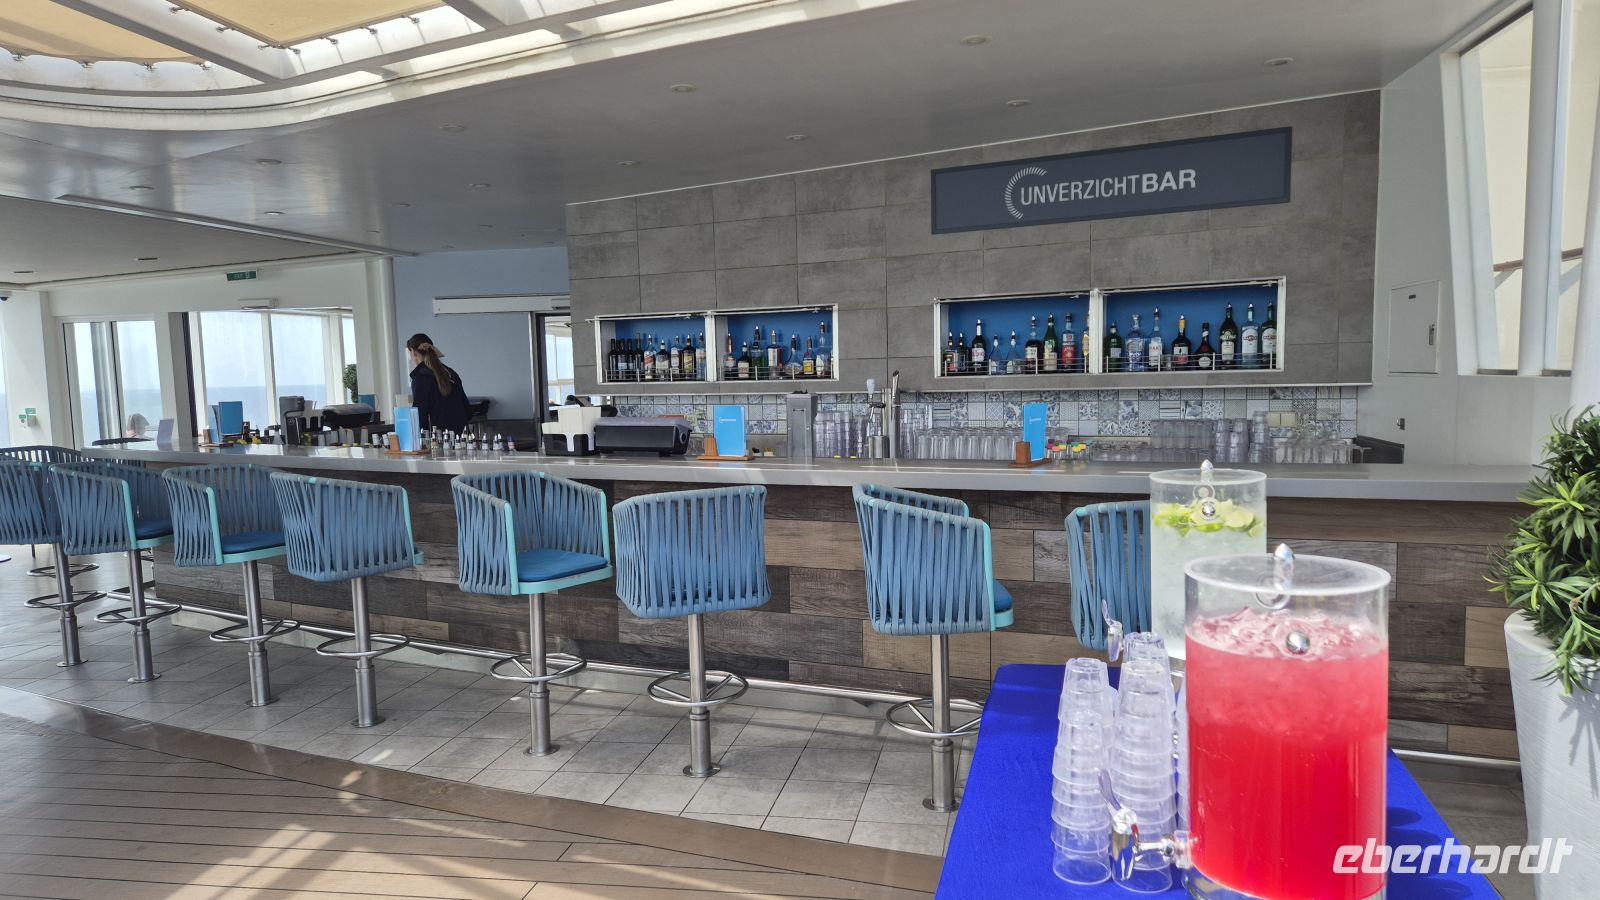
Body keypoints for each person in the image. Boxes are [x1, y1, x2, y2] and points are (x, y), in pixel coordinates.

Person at [406, 333, 470, 432]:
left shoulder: (420, 378)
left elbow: (420, 417)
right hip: (461, 434)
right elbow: (467, 410)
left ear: (413, 352)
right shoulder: (450, 373)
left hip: (438, 437)